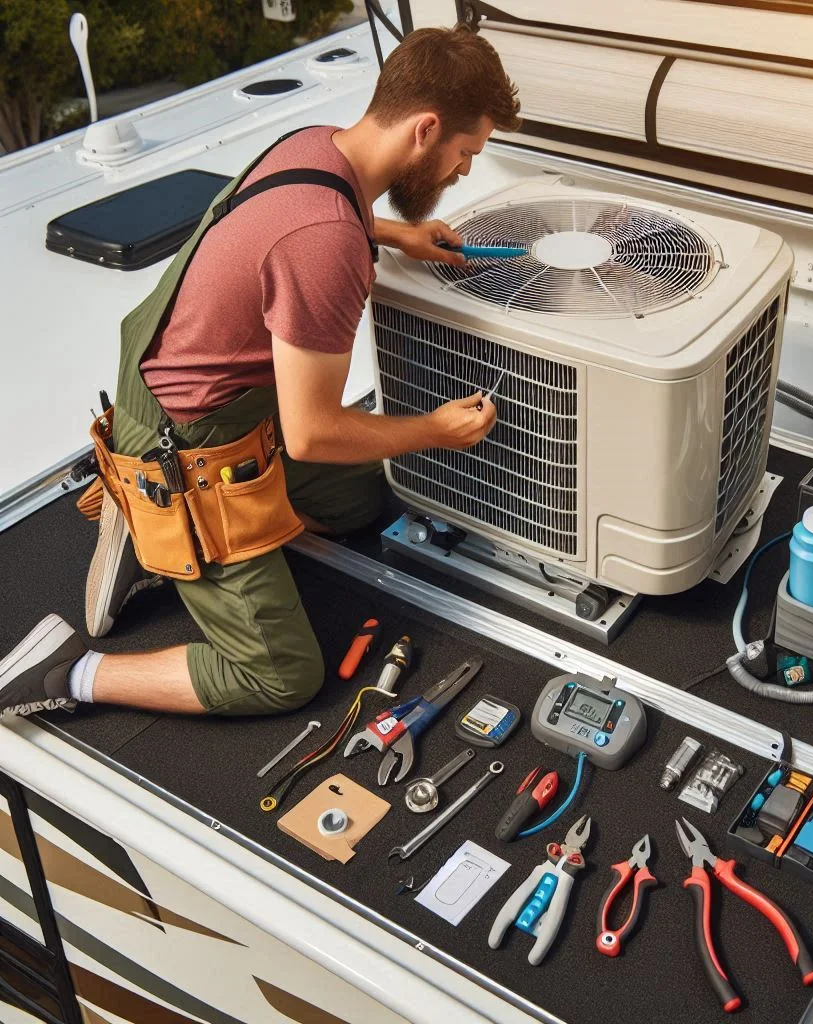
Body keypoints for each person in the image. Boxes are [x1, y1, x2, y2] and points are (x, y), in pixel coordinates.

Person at [0, 25, 521, 718]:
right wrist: (433, 429)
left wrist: (395, 233)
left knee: (362, 500)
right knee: (281, 673)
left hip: (193, 388)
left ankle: (160, 533)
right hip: (182, 443)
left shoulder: (315, 146)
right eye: (465, 153)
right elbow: (311, 435)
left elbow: (294, 218)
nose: (463, 171)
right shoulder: (327, 240)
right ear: (426, 129)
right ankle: (72, 667)